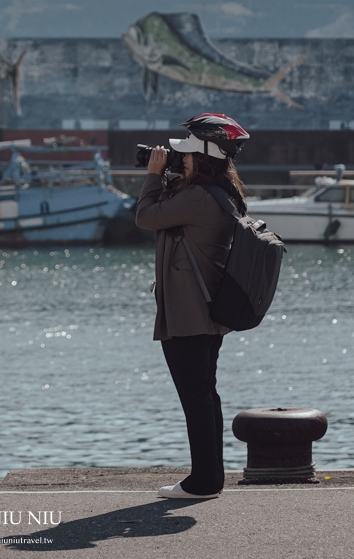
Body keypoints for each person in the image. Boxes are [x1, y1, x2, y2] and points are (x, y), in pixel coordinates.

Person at [134, 113, 250, 500]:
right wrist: (169, 174)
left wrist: (153, 175)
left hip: (189, 315)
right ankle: (208, 478)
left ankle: (203, 482)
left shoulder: (199, 198)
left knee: (196, 398)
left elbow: (146, 217)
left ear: (202, 158)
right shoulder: (219, 191)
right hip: (204, 311)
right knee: (204, 395)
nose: (177, 158)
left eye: (184, 155)